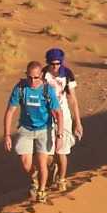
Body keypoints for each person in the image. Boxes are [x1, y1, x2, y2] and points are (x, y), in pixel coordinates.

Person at [3, 61, 62, 204]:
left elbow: (58, 113)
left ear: (41, 75)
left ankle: (41, 191)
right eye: (30, 77)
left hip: (44, 129)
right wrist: (7, 135)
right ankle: (35, 178)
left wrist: (59, 135)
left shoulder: (48, 90)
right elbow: (10, 111)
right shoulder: (21, 88)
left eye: (36, 77)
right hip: (26, 129)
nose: (32, 81)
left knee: (42, 163)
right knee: (26, 164)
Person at [43, 46, 84, 192]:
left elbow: (72, 99)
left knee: (62, 151)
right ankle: (50, 170)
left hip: (64, 116)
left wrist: (78, 122)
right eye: (52, 64)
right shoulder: (42, 75)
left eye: (58, 63)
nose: (55, 67)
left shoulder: (67, 74)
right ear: (48, 63)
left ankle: (61, 179)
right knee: (46, 153)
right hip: (46, 117)